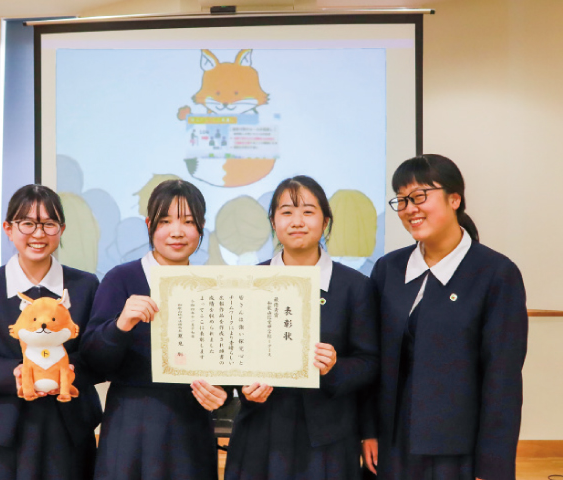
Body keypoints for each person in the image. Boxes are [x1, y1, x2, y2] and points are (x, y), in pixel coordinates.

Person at [361, 154, 528, 480]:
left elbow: (503, 378)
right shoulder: (388, 269)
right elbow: (373, 359)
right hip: (393, 445)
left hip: (457, 450)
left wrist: (492, 466)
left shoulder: (496, 273)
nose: (410, 208)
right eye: (402, 199)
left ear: (455, 199)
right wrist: (368, 430)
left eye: (420, 196)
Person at [225, 175, 380, 480]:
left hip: (328, 441)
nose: (297, 221)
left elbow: (370, 363)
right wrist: (245, 388)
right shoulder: (248, 282)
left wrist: (334, 367)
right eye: (286, 212)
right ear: (273, 222)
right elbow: (231, 356)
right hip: (260, 433)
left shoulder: (355, 287)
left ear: (325, 222)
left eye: (308, 211)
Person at [80, 179, 226, 480]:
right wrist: (120, 324)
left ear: (201, 228)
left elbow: (227, 358)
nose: (176, 231)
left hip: (191, 423)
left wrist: (222, 390)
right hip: (132, 424)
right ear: (149, 225)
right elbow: (93, 360)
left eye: (188, 222)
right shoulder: (121, 279)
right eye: (165, 221)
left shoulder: (212, 286)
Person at [0, 184, 102, 480]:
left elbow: (95, 356)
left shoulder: (86, 285)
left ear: (61, 230)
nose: (38, 234)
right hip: (0, 428)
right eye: (27, 223)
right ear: (9, 228)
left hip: (67, 426)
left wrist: (66, 373)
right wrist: (21, 374)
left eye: (49, 224)